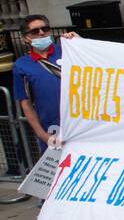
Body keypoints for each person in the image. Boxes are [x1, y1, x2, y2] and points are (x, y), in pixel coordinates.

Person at [12, 14, 78, 155]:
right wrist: (42, 135)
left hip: (80, 124)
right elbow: (26, 103)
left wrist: (80, 42)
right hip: (52, 128)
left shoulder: (68, 50)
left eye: (45, 29)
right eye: (35, 31)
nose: (41, 33)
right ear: (25, 38)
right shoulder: (22, 65)